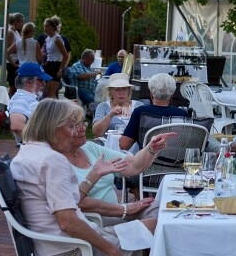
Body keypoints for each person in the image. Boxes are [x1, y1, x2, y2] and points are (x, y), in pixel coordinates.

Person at [10, 98, 156, 256]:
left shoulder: (25, 153)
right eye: (71, 126)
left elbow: (67, 204)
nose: (74, 133)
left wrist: (94, 174)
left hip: (58, 243)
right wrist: (112, 250)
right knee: (154, 228)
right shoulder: (52, 160)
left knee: (154, 225)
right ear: (53, 127)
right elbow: (68, 223)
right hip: (73, 248)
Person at [63, 105, 177, 225]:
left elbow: (133, 165)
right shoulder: (56, 161)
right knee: (156, 224)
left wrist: (151, 149)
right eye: (75, 125)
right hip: (95, 219)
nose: (83, 128)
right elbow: (78, 202)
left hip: (117, 211)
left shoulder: (89, 148)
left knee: (165, 209)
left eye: (83, 123)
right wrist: (124, 209)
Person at [119, 73, 187, 151]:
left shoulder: (141, 112)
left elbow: (123, 145)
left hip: (147, 161)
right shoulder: (182, 114)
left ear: (151, 94)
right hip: (176, 162)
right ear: (172, 95)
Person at [9, 63, 52, 141]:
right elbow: (16, 126)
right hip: (43, 145)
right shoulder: (21, 100)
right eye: (41, 80)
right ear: (28, 82)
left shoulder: (26, 98)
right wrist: (45, 138)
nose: (44, 84)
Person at [93, 73, 142, 137]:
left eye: (124, 89)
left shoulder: (138, 106)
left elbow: (144, 130)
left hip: (134, 145)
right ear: (110, 92)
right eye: (117, 90)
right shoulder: (103, 106)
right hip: (108, 145)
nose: (121, 93)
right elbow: (97, 133)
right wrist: (110, 115)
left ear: (129, 91)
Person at [40, 15, 70, 99]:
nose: (45, 28)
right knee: (46, 91)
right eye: (44, 26)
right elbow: (48, 51)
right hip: (49, 64)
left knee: (51, 92)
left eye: (47, 27)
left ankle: (54, 111)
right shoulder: (48, 38)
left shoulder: (57, 39)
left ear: (53, 27)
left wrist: (60, 69)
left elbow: (65, 55)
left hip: (56, 65)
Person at [5, 13, 25, 97]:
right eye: (21, 22)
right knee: (13, 87)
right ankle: (8, 105)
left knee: (18, 87)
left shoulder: (16, 32)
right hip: (12, 62)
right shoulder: (10, 33)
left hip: (18, 60)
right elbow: (8, 49)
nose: (22, 24)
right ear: (15, 22)